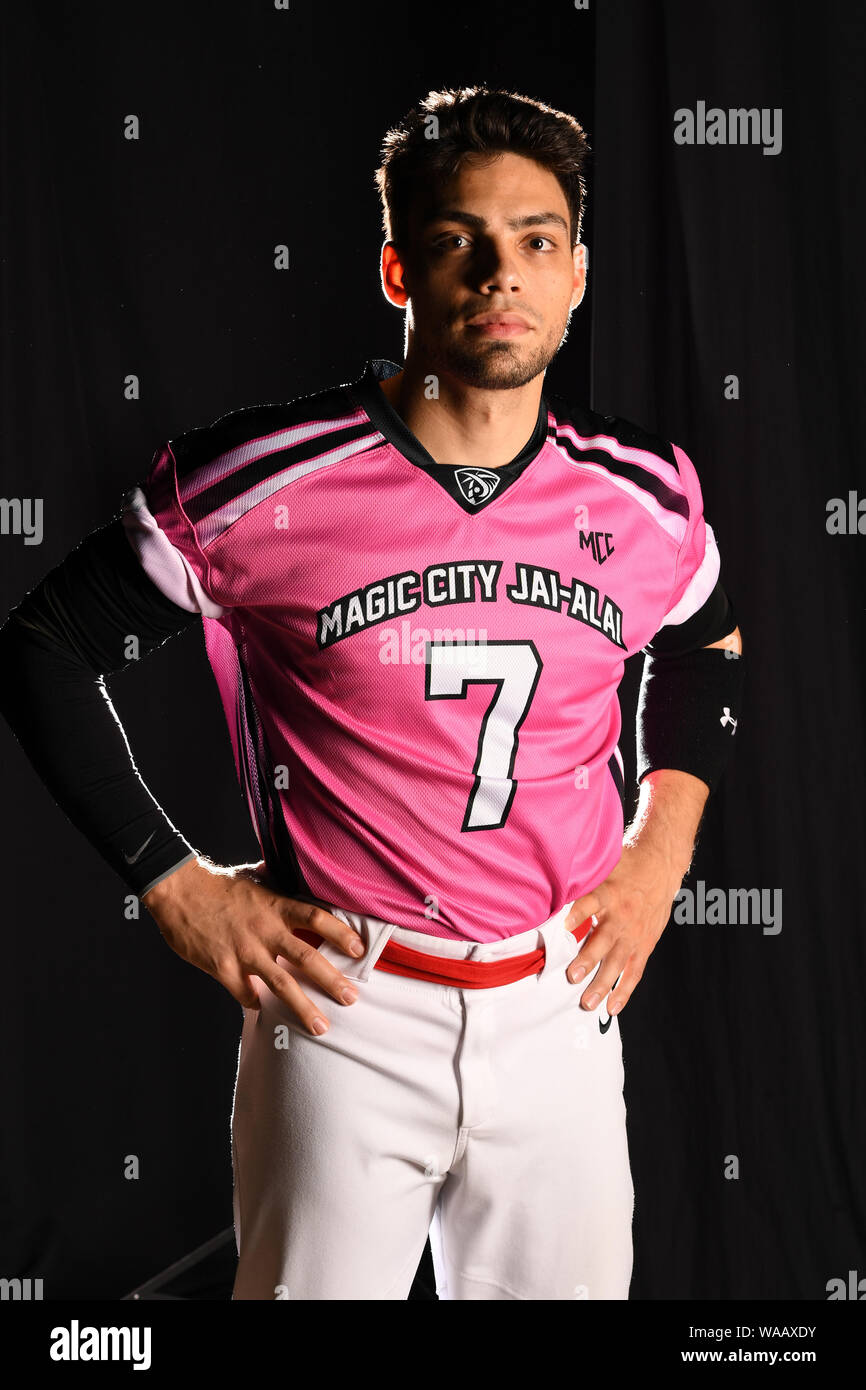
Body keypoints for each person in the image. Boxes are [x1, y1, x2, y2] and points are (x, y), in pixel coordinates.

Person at [0, 84, 744, 1300]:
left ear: (576, 275)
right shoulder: (258, 481)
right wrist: (173, 884)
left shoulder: (643, 491)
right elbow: (40, 647)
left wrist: (659, 849)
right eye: (459, 241)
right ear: (399, 272)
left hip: (558, 997)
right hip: (344, 1004)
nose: (501, 272)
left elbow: (709, 643)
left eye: (536, 241)